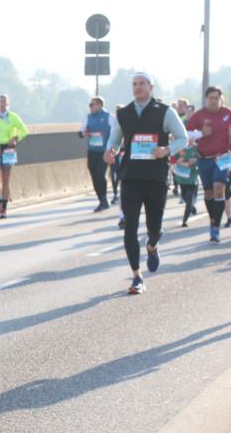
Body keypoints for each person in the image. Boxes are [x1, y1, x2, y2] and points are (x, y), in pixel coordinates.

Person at [104, 71, 188, 294]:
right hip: (131, 176)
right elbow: (115, 139)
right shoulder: (124, 113)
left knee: (155, 228)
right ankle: (136, 276)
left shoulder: (165, 111)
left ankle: (152, 246)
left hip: (156, 177)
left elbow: (183, 138)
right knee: (130, 227)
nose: (138, 87)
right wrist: (110, 151)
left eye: (142, 83)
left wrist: (166, 150)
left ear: (151, 87)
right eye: (134, 84)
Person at [186, 86, 231, 242]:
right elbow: (187, 133)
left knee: (219, 188)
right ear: (206, 99)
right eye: (210, 98)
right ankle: (213, 220)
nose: (213, 100)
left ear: (220, 99)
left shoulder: (227, 113)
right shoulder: (199, 115)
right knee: (208, 193)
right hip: (204, 159)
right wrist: (201, 134)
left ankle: (216, 227)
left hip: (222, 158)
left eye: (216, 98)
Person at [0, 94, 29, 218]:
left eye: (4, 101)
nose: (2, 104)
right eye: (0, 101)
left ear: (8, 103)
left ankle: (4, 208)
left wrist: (16, 138)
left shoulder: (13, 117)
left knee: (5, 179)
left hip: (8, 149)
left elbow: (25, 131)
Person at [80, 96, 114, 211]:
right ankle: (101, 199)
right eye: (89, 105)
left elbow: (116, 133)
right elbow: (80, 133)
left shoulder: (109, 117)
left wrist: (112, 149)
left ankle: (104, 199)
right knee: (94, 175)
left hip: (104, 152)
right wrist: (84, 133)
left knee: (100, 174)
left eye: (92, 105)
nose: (90, 107)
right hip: (92, 151)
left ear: (99, 105)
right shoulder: (88, 117)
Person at [171, 138, 200, 227]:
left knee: (189, 198)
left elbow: (192, 162)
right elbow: (174, 159)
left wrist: (182, 162)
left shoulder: (197, 148)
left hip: (192, 178)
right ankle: (192, 207)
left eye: (192, 137)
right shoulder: (180, 148)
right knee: (184, 197)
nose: (190, 139)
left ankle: (185, 220)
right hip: (182, 178)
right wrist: (179, 162)